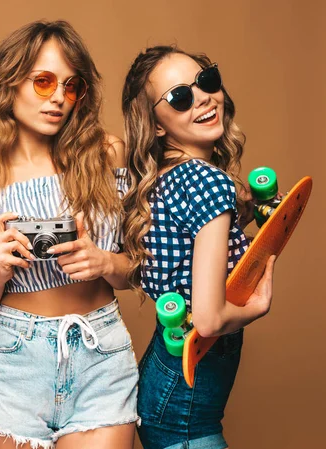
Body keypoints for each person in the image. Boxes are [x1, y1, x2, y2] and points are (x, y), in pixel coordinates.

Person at [0, 20, 139, 449]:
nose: (58, 99)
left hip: (100, 354)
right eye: (44, 81)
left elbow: (134, 272)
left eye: (72, 86)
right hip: (14, 362)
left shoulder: (106, 153)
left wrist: (104, 262)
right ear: (8, 84)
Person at [120, 45, 276, 449]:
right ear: (155, 124)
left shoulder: (169, 176)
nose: (204, 97)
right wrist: (253, 310)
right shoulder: (209, 182)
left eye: (205, 80)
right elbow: (207, 320)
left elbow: (183, 257)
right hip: (185, 405)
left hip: (165, 377)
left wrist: (242, 222)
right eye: (180, 97)